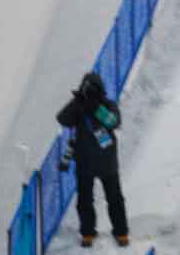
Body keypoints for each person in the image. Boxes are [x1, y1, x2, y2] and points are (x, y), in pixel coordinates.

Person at [55, 72, 129, 249]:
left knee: (114, 199)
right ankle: (87, 233)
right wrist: (77, 102)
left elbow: (113, 122)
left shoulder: (108, 105)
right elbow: (62, 119)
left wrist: (95, 107)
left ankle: (121, 232)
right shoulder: (79, 107)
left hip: (106, 163)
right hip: (85, 163)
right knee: (85, 200)